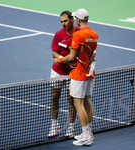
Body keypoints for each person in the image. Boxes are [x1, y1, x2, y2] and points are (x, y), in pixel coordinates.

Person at [53, 8, 98, 146]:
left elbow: (72, 57)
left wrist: (59, 60)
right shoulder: (94, 34)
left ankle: (86, 137)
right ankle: (89, 133)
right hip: (90, 72)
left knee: (78, 104)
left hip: (79, 74)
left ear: (77, 19)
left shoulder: (78, 35)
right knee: (87, 102)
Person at [48, 11, 80, 139]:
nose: (63, 24)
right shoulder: (58, 34)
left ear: (72, 19)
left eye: (65, 21)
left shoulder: (79, 33)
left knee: (71, 100)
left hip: (72, 73)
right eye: (61, 21)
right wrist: (65, 59)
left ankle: (71, 127)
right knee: (55, 97)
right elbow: (54, 53)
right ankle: (54, 124)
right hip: (57, 71)